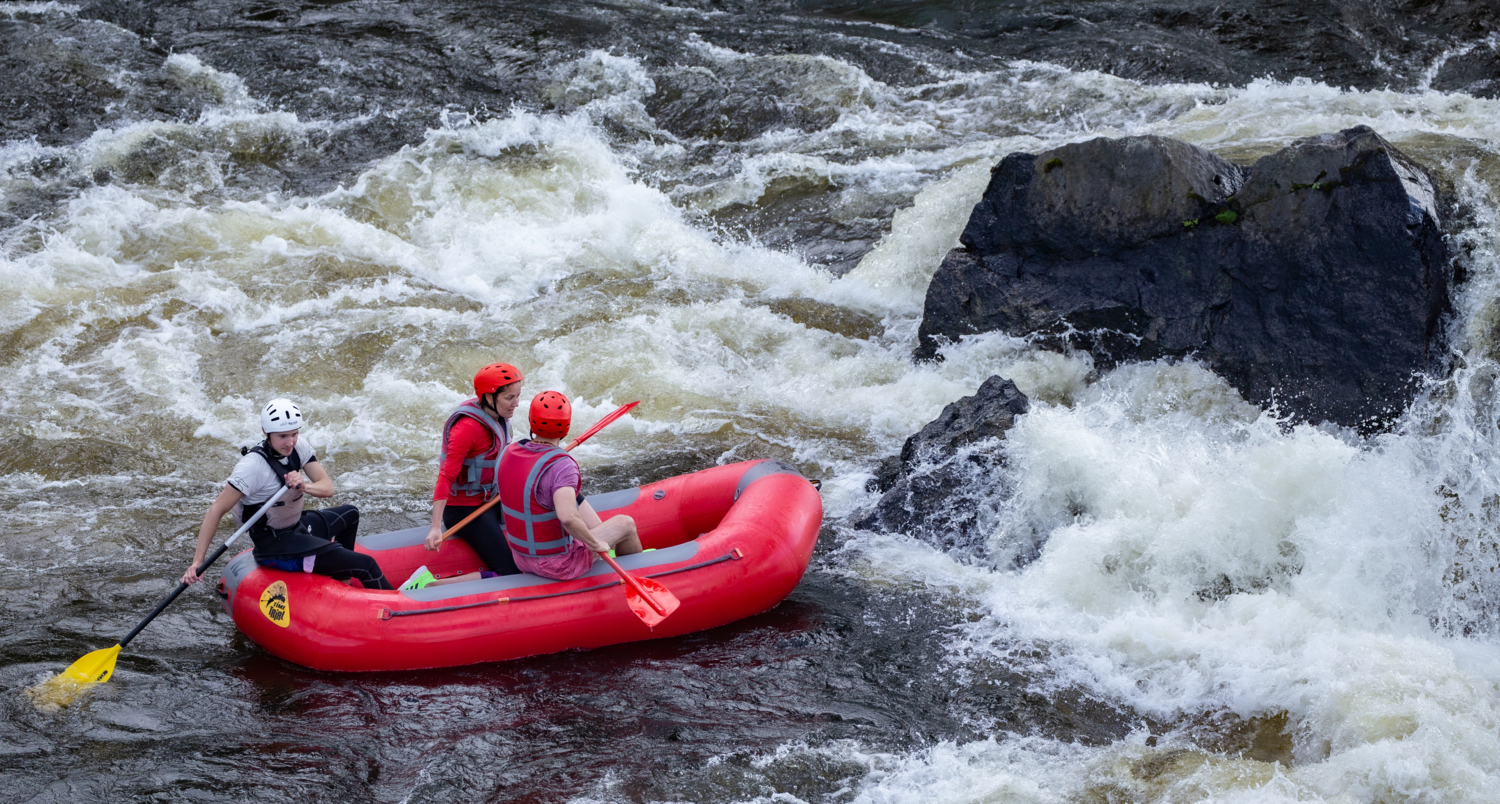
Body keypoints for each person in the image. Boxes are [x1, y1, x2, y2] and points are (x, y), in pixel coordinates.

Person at [184, 398, 394, 590]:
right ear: (266, 432)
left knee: (350, 514)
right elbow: (216, 510)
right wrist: (197, 561)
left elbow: (327, 488)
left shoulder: (298, 447)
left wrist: (304, 486)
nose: (290, 442)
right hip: (275, 546)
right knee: (367, 564)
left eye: (294, 434)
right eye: (283, 436)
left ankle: (343, 579)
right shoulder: (252, 467)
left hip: (296, 528)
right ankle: (394, 619)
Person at [499, 390, 641, 580]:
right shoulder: (563, 466)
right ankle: (638, 574)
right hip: (558, 564)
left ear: (531, 421)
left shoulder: (511, 451)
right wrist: (595, 544)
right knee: (626, 524)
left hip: (521, 557)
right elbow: (567, 517)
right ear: (566, 427)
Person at [421, 363, 524, 580]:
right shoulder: (467, 429)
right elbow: (446, 476)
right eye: (509, 398)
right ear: (488, 397)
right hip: (464, 510)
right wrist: (434, 527)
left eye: (517, 396)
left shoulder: (500, 417)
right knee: (511, 571)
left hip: (493, 499)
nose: (516, 403)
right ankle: (432, 585)